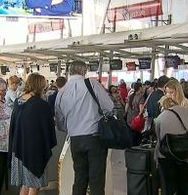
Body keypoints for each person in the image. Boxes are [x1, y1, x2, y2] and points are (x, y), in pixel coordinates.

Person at [55, 60, 113, 195]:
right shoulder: (92, 84)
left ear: (70, 72)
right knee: (96, 180)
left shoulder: (62, 91)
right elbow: (109, 106)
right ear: (84, 71)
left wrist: (72, 128)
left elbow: (60, 121)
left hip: (75, 140)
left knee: (80, 178)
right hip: (94, 138)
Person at [9, 73, 57, 195]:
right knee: (34, 186)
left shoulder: (18, 101)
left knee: (25, 185)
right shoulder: (41, 105)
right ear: (40, 86)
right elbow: (48, 128)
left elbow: (14, 125)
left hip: (18, 149)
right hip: (34, 152)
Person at [155, 96, 188, 195]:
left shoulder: (161, 117)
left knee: (169, 186)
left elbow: (159, 138)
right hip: (186, 153)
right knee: (186, 185)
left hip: (166, 156)